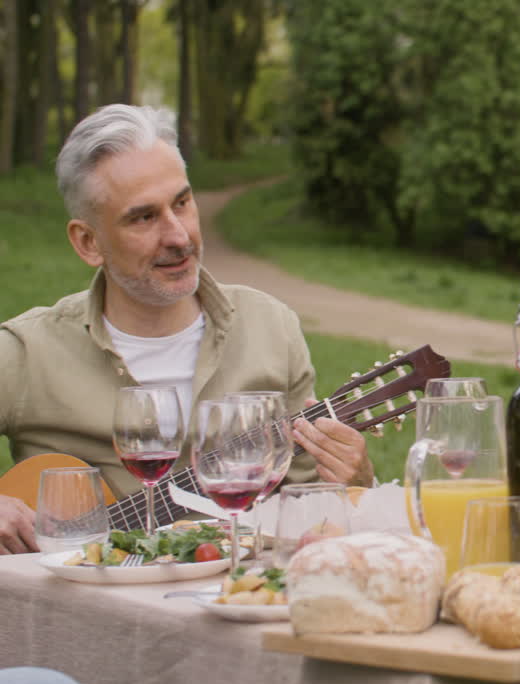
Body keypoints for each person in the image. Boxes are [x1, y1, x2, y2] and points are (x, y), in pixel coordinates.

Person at [0, 104, 372, 554]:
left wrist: (356, 481)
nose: (178, 236)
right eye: (143, 217)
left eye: (181, 203)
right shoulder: (26, 352)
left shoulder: (271, 329)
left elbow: (311, 517)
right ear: (88, 242)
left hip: (229, 610)